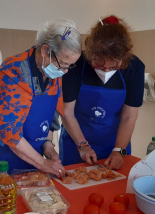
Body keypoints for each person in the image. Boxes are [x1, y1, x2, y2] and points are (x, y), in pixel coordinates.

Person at [0, 18, 82, 181]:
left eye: (70, 65)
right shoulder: (13, 72)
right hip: (0, 152)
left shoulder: (54, 72)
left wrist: (48, 145)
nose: (65, 71)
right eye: (64, 64)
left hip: (32, 153)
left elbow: (49, 117)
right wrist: (44, 164)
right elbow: (10, 134)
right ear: (45, 50)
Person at [59, 15, 145, 170]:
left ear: (123, 59)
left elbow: (129, 116)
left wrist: (120, 150)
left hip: (115, 143)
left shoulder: (134, 67)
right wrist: (82, 145)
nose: (106, 70)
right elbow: (67, 113)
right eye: (99, 64)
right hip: (75, 141)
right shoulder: (75, 65)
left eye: (114, 67)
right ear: (91, 54)